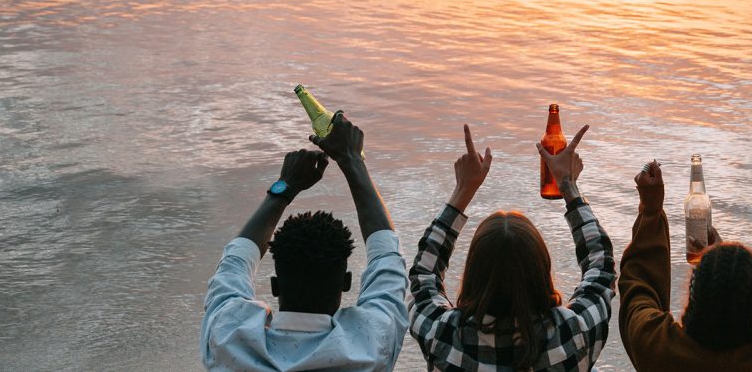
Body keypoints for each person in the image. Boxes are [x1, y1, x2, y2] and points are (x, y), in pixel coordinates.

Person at [201, 112, 408, 371]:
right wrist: (352, 159)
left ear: (275, 286)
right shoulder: (370, 347)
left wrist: (284, 188)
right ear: (346, 283)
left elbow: (234, 265)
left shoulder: (228, 338)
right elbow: (388, 261)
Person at [407, 124, 615, 371]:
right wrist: (567, 185)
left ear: (474, 272)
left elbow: (423, 275)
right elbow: (601, 264)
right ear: (541, 270)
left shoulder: (444, 336)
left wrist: (463, 191)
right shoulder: (571, 334)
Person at [618, 160, 752, 371]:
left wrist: (651, 208)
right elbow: (746, 310)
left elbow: (638, 285)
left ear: (694, 292)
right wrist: (728, 268)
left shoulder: (659, 348)